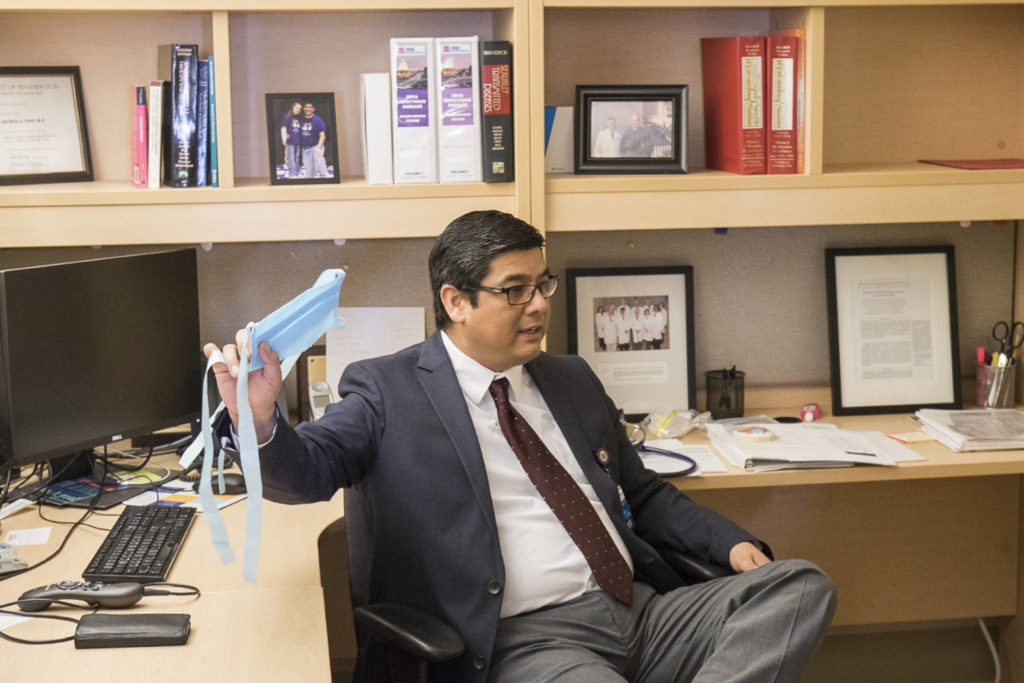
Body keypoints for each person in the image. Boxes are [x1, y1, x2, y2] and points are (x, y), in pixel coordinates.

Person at [204, 210, 835, 682]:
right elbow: (306, 471)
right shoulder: (386, 388)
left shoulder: (570, 378)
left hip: (638, 609)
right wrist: (258, 421)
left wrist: (728, 542)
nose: (538, 306)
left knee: (799, 585)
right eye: (515, 290)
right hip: (527, 643)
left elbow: (641, 494)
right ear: (456, 301)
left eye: (543, 285)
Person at [298, 101, 329, 178]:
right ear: (304, 109)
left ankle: (325, 179)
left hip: (316, 146)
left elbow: (322, 135)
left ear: (313, 109)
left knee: (320, 163)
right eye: (306, 107)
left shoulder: (318, 120)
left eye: (310, 107)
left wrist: (318, 147)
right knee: (309, 175)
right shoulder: (300, 120)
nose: (308, 109)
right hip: (305, 149)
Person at [280, 101, 303, 178]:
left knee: (296, 157)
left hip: (298, 140)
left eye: (299, 109)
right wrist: (284, 138)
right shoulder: (287, 117)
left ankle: (296, 172)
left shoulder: (299, 118)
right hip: (290, 141)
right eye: (296, 108)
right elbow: (283, 128)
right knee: (291, 158)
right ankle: (292, 174)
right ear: (293, 107)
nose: (298, 110)